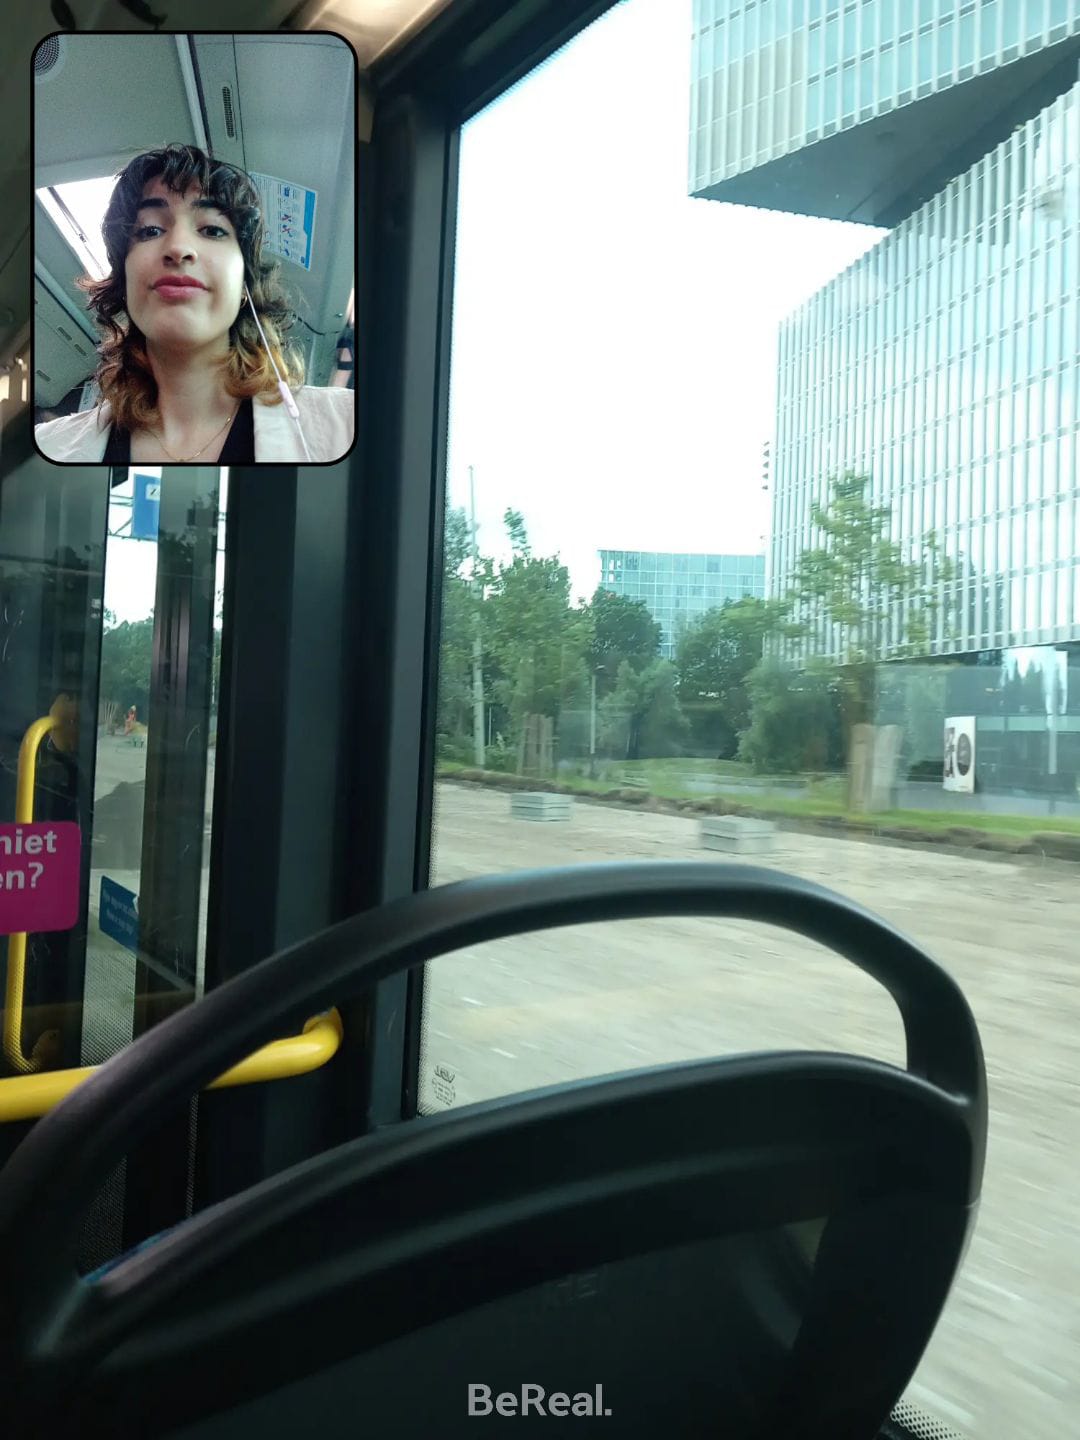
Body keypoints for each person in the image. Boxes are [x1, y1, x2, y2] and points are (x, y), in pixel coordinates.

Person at [34, 144, 353, 465]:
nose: (179, 247)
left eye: (213, 230)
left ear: (245, 285)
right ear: (125, 282)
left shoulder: (348, 425)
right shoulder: (43, 449)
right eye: (151, 230)